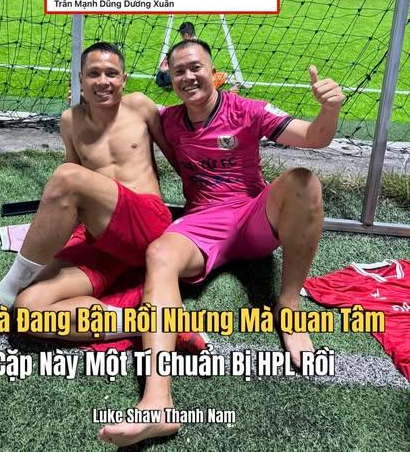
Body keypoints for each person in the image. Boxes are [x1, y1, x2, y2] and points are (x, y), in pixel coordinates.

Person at [99, 40, 344, 446]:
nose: (188, 76)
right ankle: (157, 404)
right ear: (170, 80)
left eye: (195, 67)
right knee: (159, 253)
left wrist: (329, 109)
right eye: (179, 71)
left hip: (251, 216)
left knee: (304, 181)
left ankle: (288, 305)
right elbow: (121, 114)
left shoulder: (247, 110)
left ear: (214, 72)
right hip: (201, 222)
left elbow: (315, 137)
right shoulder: (169, 120)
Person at [0, 42, 197, 352]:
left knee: (67, 177)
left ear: (124, 79)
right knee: (30, 311)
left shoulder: (140, 105)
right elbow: (73, 196)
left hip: (145, 224)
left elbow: (178, 161)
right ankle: (152, 323)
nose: (103, 81)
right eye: (94, 74)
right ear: (81, 80)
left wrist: (202, 216)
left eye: (111, 74)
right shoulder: (70, 120)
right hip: (101, 238)